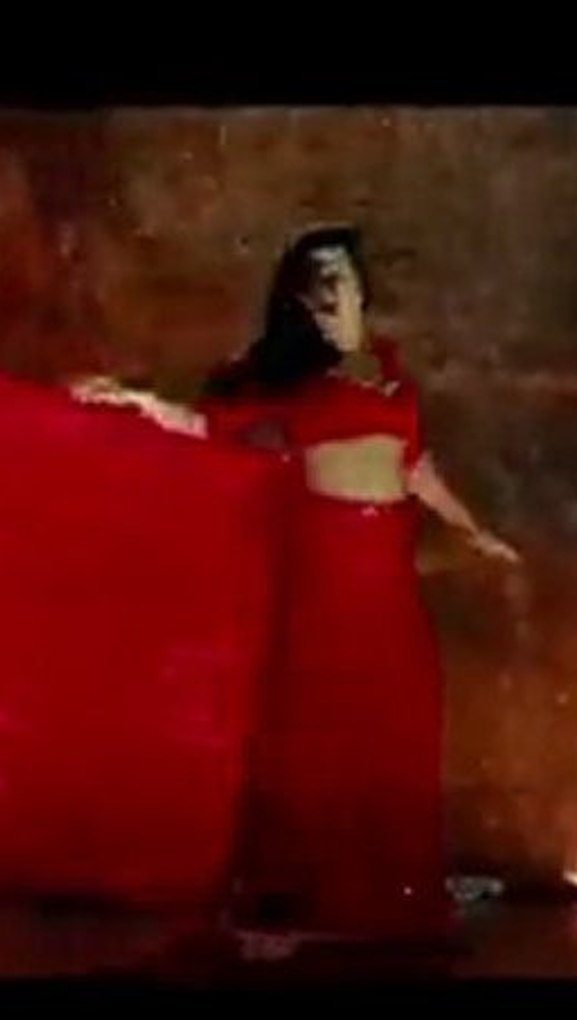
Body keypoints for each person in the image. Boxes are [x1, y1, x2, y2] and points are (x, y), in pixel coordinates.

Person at [201, 225, 519, 956]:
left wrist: (475, 531)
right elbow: (211, 427)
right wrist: (136, 405)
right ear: (299, 300)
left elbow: (416, 467)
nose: (333, 292)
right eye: (318, 282)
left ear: (359, 288)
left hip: (386, 567)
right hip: (326, 560)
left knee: (400, 714)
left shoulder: (389, 370)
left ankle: (395, 886)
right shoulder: (290, 380)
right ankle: (295, 903)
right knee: (319, 723)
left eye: (341, 276)